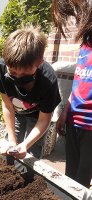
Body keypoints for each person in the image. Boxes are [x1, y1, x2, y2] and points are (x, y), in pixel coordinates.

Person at [0, 26, 61, 161]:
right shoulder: (1, 68)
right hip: (17, 112)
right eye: (12, 72)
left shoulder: (48, 80)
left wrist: (25, 145)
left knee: (31, 152)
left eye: (25, 73)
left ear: (40, 63)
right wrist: (12, 141)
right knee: (10, 149)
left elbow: (44, 119)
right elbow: (7, 106)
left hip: (38, 117)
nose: (18, 76)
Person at [52, 0, 92, 188]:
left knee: (82, 181)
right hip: (73, 120)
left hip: (90, 126)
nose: (77, 19)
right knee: (69, 177)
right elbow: (79, 82)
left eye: (79, 13)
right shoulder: (85, 45)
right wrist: (66, 111)